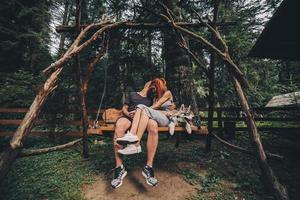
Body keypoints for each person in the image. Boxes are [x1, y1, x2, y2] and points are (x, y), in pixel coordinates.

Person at [116, 78, 175, 186]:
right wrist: (140, 110)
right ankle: (133, 144)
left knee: (141, 107)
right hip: (157, 117)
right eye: (152, 88)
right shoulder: (154, 97)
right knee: (142, 109)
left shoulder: (167, 93)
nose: (153, 90)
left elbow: (156, 107)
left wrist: (141, 109)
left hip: (166, 118)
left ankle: (135, 142)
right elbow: (153, 110)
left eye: (154, 88)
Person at [111, 81, 160, 188]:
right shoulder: (133, 94)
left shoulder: (152, 98)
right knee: (119, 126)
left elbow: (157, 108)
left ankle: (148, 167)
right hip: (129, 117)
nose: (153, 88)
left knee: (154, 126)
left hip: (145, 118)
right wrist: (128, 113)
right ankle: (119, 168)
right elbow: (124, 108)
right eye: (152, 85)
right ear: (146, 84)